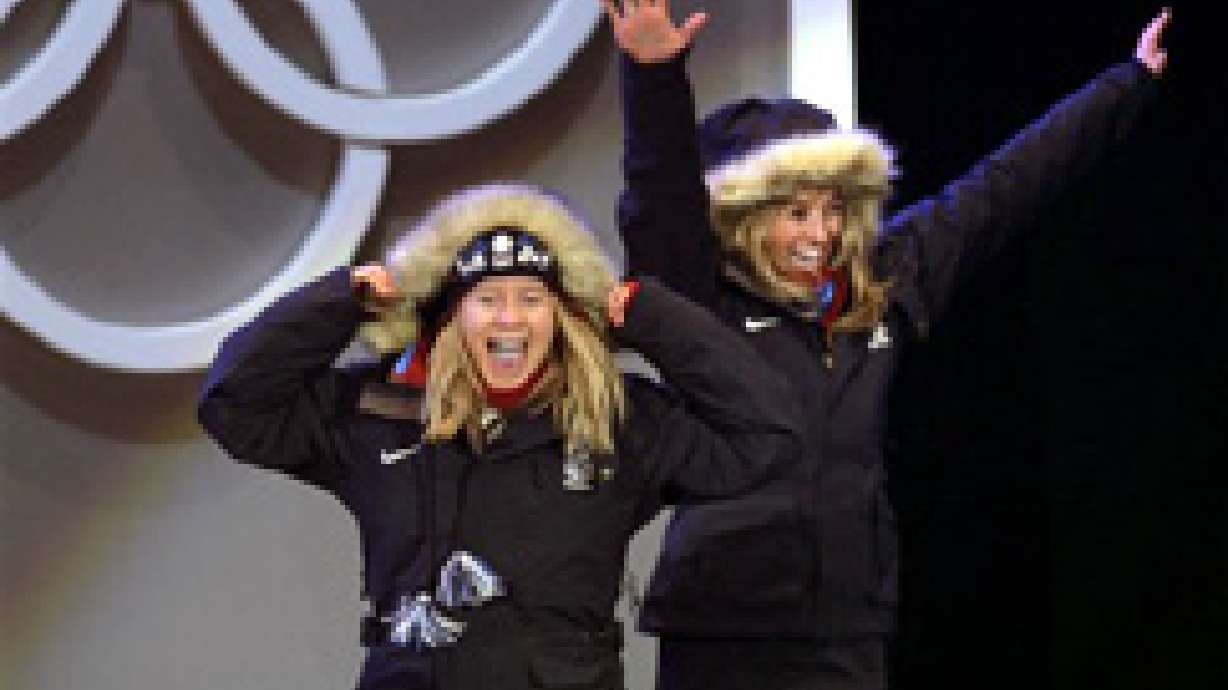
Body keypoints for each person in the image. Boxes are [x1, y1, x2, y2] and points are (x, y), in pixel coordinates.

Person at [601, 1, 1172, 688]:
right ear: (746, 217)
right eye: (796, 213)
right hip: (725, 620)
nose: (820, 234)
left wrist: (1128, 82)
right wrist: (653, 74)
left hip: (847, 623)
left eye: (834, 210)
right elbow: (658, 197)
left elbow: (1002, 188)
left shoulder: (884, 282)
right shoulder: (701, 299)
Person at [198, 183, 801, 690]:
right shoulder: (380, 408)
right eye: (488, 299)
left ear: (561, 317)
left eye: (531, 299)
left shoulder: (618, 419)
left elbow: (766, 437)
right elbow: (235, 404)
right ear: (453, 319)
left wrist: (653, 318)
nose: (510, 318)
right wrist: (342, 302)